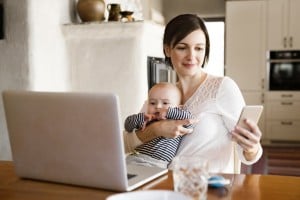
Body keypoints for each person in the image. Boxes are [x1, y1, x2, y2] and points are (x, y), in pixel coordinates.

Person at [123, 14, 263, 173]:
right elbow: (126, 143)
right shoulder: (161, 93)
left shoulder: (223, 88)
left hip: (206, 188)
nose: (191, 56)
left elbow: (248, 155)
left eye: (199, 48)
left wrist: (252, 148)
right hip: (162, 184)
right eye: (182, 47)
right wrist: (157, 129)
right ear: (167, 49)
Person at [125, 82, 193, 169]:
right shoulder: (148, 120)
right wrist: (140, 117)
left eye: (165, 103)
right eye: (152, 103)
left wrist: (168, 112)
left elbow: (188, 119)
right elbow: (127, 126)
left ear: (179, 108)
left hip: (157, 165)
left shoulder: (178, 121)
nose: (158, 106)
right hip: (134, 158)